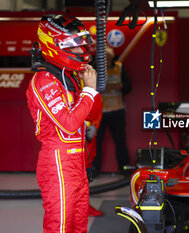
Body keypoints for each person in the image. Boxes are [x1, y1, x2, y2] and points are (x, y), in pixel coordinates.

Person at [26, 14, 101, 232]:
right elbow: (68, 123)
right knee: (60, 226)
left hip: (77, 161)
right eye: (74, 45)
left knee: (79, 224)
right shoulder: (43, 80)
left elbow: (86, 115)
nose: (81, 51)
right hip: (57, 162)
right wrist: (88, 90)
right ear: (53, 45)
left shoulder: (68, 77)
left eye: (81, 44)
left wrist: (90, 89)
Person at [94, 47, 132, 175]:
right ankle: (94, 168)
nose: (107, 59)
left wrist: (120, 86)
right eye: (104, 57)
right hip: (101, 112)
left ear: (112, 57)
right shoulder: (95, 69)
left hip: (117, 111)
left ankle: (124, 168)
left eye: (109, 57)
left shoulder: (119, 67)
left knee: (120, 140)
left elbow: (129, 86)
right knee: (96, 141)